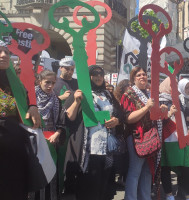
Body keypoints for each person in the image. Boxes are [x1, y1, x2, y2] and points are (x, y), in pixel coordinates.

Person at [63, 65, 123, 200]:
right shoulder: (79, 93)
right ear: (88, 76)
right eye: (94, 74)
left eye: (101, 74)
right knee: (88, 185)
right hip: (88, 149)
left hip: (107, 148)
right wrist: (77, 101)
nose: (98, 77)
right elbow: (68, 118)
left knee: (104, 185)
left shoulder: (108, 94)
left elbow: (120, 115)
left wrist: (116, 120)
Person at [0, 41, 41, 199]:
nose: (4, 55)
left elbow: (26, 102)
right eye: (0, 51)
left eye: (7, 52)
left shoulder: (15, 84)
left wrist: (32, 106)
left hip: (15, 151)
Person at [120, 66, 167, 200]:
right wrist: (147, 107)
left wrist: (162, 111)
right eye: (138, 75)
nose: (142, 77)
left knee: (147, 171)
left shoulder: (148, 94)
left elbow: (153, 115)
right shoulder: (128, 94)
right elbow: (128, 118)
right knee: (135, 171)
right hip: (137, 137)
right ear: (133, 78)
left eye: (144, 75)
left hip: (150, 137)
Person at [159, 77, 189, 200]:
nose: (174, 86)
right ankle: (169, 194)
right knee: (166, 166)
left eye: (175, 84)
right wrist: (169, 113)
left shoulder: (180, 98)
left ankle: (188, 194)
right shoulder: (160, 99)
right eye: (171, 84)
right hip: (167, 138)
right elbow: (156, 120)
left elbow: (188, 115)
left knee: (186, 166)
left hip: (182, 136)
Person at [34, 70, 66, 200]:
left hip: (52, 142)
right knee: (36, 174)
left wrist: (57, 134)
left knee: (50, 173)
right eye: (47, 82)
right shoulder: (31, 98)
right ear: (39, 81)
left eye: (53, 83)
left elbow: (61, 122)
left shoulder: (56, 99)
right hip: (34, 142)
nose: (50, 86)